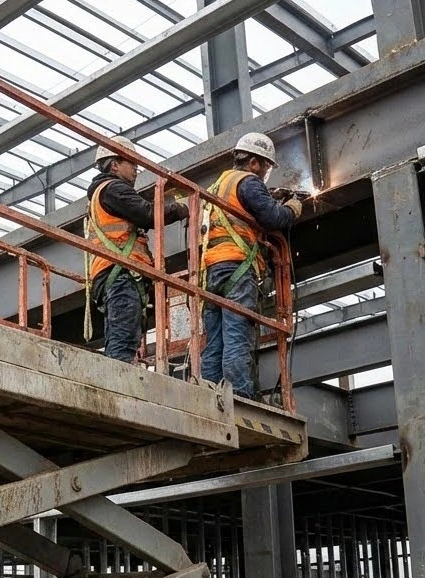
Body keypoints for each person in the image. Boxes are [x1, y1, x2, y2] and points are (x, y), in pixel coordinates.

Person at [199, 132, 301, 400]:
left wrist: (268, 196)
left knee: (215, 341)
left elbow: (242, 210)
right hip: (238, 267)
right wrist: (291, 208)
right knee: (236, 336)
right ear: (254, 162)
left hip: (212, 270)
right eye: (266, 166)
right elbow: (272, 217)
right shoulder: (248, 182)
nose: (265, 172)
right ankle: (241, 398)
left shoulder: (219, 184)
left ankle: (210, 395)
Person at [84, 136, 190, 362]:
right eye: (132, 164)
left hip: (113, 273)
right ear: (114, 164)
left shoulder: (101, 193)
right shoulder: (113, 189)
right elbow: (148, 214)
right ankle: (117, 389)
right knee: (123, 340)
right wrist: (180, 209)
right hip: (121, 273)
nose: (136, 170)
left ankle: (115, 384)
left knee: (119, 337)